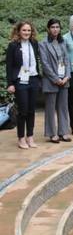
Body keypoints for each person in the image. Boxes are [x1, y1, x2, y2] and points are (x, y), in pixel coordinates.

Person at [6, 20, 41, 150]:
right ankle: (21, 137)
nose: (27, 32)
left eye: (29, 30)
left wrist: (38, 78)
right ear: (19, 31)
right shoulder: (13, 45)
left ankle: (30, 136)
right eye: (24, 30)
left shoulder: (34, 43)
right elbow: (9, 66)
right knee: (23, 111)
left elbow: (36, 61)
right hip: (20, 81)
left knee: (31, 110)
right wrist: (10, 83)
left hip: (32, 79)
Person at [39, 18, 72, 143]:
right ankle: (52, 133)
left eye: (57, 27)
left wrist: (67, 76)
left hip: (64, 80)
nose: (55, 29)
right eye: (53, 27)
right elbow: (45, 64)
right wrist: (56, 79)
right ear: (48, 29)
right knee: (50, 108)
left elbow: (67, 61)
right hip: (51, 81)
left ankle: (63, 132)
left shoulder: (62, 42)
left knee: (63, 107)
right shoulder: (43, 44)